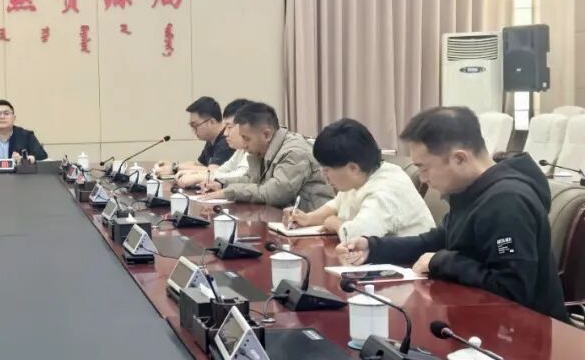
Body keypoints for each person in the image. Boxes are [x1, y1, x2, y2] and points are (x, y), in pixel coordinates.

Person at [336, 107, 567, 320]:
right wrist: (373, 247)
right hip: (479, 316)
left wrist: (443, 261)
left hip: (525, 332)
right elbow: (437, 240)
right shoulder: (472, 191)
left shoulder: (508, 202)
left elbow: (512, 290)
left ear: (459, 158)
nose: (423, 178)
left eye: (424, 168)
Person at [284, 118, 434, 241]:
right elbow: (337, 204)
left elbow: (360, 237)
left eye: (327, 169)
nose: (324, 175)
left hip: (410, 264)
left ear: (353, 168)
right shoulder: (361, 176)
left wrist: (336, 224)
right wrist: (308, 218)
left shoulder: (385, 189)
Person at [202, 101, 333, 209]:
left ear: (266, 134)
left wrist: (228, 192)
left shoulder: (294, 151)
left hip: (313, 224)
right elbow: (252, 179)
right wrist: (221, 184)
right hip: (285, 219)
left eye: (246, 139)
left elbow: (275, 193)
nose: (244, 145)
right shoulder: (263, 148)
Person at [153, 97, 231, 184]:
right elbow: (198, 164)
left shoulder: (227, 140)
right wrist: (173, 165)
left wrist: (174, 168)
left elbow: (212, 171)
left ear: (211, 122)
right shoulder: (212, 139)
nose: (193, 131)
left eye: (195, 125)